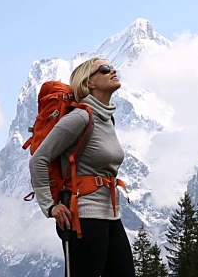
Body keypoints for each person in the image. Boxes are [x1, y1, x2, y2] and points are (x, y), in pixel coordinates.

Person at [28, 57, 135, 276]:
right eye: (104, 69)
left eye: (112, 66)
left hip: (111, 215)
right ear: (89, 83)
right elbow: (38, 160)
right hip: (83, 217)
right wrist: (50, 206)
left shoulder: (106, 119)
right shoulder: (80, 117)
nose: (112, 70)